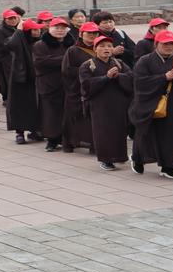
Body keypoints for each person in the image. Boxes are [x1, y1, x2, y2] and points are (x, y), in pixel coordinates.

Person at [129, 30, 173, 179]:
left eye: (172, 43)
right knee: (146, 134)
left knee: (171, 136)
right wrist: (163, 78)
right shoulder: (145, 61)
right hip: (150, 104)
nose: (169, 46)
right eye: (165, 44)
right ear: (156, 44)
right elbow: (140, 83)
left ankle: (168, 166)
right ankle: (138, 158)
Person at [79, 35, 134, 170]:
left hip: (119, 104)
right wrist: (106, 78)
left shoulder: (119, 63)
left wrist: (118, 76)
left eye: (109, 46)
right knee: (102, 132)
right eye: (102, 46)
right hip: (100, 105)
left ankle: (120, 156)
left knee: (120, 131)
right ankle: (106, 159)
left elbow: (131, 77)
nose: (106, 49)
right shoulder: (88, 65)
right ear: (95, 49)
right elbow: (86, 85)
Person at [34, 18, 75, 151]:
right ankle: (52, 140)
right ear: (49, 29)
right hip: (49, 84)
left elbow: (75, 60)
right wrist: (65, 59)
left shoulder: (72, 43)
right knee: (50, 114)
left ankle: (67, 138)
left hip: (68, 83)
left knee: (67, 112)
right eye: (56, 27)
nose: (59, 30)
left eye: (62, 28)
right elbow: (41, 62)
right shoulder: (41, 44)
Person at [61, 22, 99, 153]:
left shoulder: (100, 48)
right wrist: (86, 71)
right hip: (76, 88)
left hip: (94, 88)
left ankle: (93, 144)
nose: (92, 36)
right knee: (73, 117)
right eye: (89, 33)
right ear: (81, 34)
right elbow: (67, 70)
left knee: (92, 118)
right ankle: (69, 143)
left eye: (95, 33)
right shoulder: (73, 50)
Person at [6, 18, 44, 144]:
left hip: (37, 78)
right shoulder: (18, 41)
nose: (38, 31)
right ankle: (19, 132)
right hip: (21, 79)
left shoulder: (41, 42)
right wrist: (18, 31)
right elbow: (10, 45)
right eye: (34, 29)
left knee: (36, 106)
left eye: (38, 29)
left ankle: (35, 130)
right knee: (20, 106)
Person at [0, 9, 21, 103]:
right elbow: (1, 45)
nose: (12, 20)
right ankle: (7, 98)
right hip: (4, 59)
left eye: (14, 18)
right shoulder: (0, 31)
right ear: (5, 19)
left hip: (16, 58)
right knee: (6, 79)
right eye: (10, 18)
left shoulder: (18, 28)